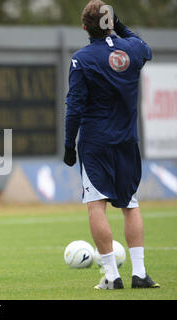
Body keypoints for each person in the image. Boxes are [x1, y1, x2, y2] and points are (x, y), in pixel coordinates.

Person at [64, 0, 160, 290]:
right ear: (111, 22)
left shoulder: (82, 59)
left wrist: (69, 144)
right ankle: (140, 274)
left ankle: (111, 275)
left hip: (96, 143)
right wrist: (118, 25)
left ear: (84, 27)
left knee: (96, 204)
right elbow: (145, 47)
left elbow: (74, 107)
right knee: (130, 204)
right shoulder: (133, 50)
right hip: (127, 140)